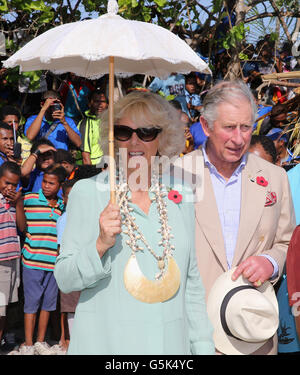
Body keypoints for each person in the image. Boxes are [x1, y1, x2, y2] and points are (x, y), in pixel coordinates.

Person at [54, 91, 215, 355]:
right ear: (112, 138)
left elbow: (191, 285)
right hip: (108, 346)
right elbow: (65, 279)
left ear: (162, 138)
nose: (135, 141)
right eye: (124, 132)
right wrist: (99, 245)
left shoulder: (180, 195)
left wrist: (203, 347)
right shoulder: (88, 192)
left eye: (147, 132)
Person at [176, 80, 295, 355]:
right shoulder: (175, 175)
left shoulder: (275, 178)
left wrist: (270, 263)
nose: (239, 138)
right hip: (190, 335)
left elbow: (287, 244)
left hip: (253, 335)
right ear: (206, 126)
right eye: (229, 127)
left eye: (246, 127)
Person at [11, 165, 66, 355]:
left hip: (53, 263)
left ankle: (40, 342)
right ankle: (27, 343)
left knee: (48, 304)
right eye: (44, 182)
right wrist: (18, 204)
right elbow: (21, 225)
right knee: (31, 304)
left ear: (60, 186)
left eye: (51, 183)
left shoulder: (62, 205)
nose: (46, 186)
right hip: (32, 261)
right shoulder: (30, 199)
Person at [0, 162, 26, 353]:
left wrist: (18, 203)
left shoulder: (15, 199)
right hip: (1, 260)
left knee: (4, 308)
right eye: (6, 183)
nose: (10, 188)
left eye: (14, 185)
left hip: (12, 258)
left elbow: (22, 227)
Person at [76, 89, 108, 165]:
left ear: (107, 104)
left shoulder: (106, 121)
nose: (100, 105)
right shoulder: (86, 124)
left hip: (103, 166)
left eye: (103, 101)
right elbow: (85, 157)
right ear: (90, 103)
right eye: (96, 101)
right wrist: (91, 174)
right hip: (91, 168)